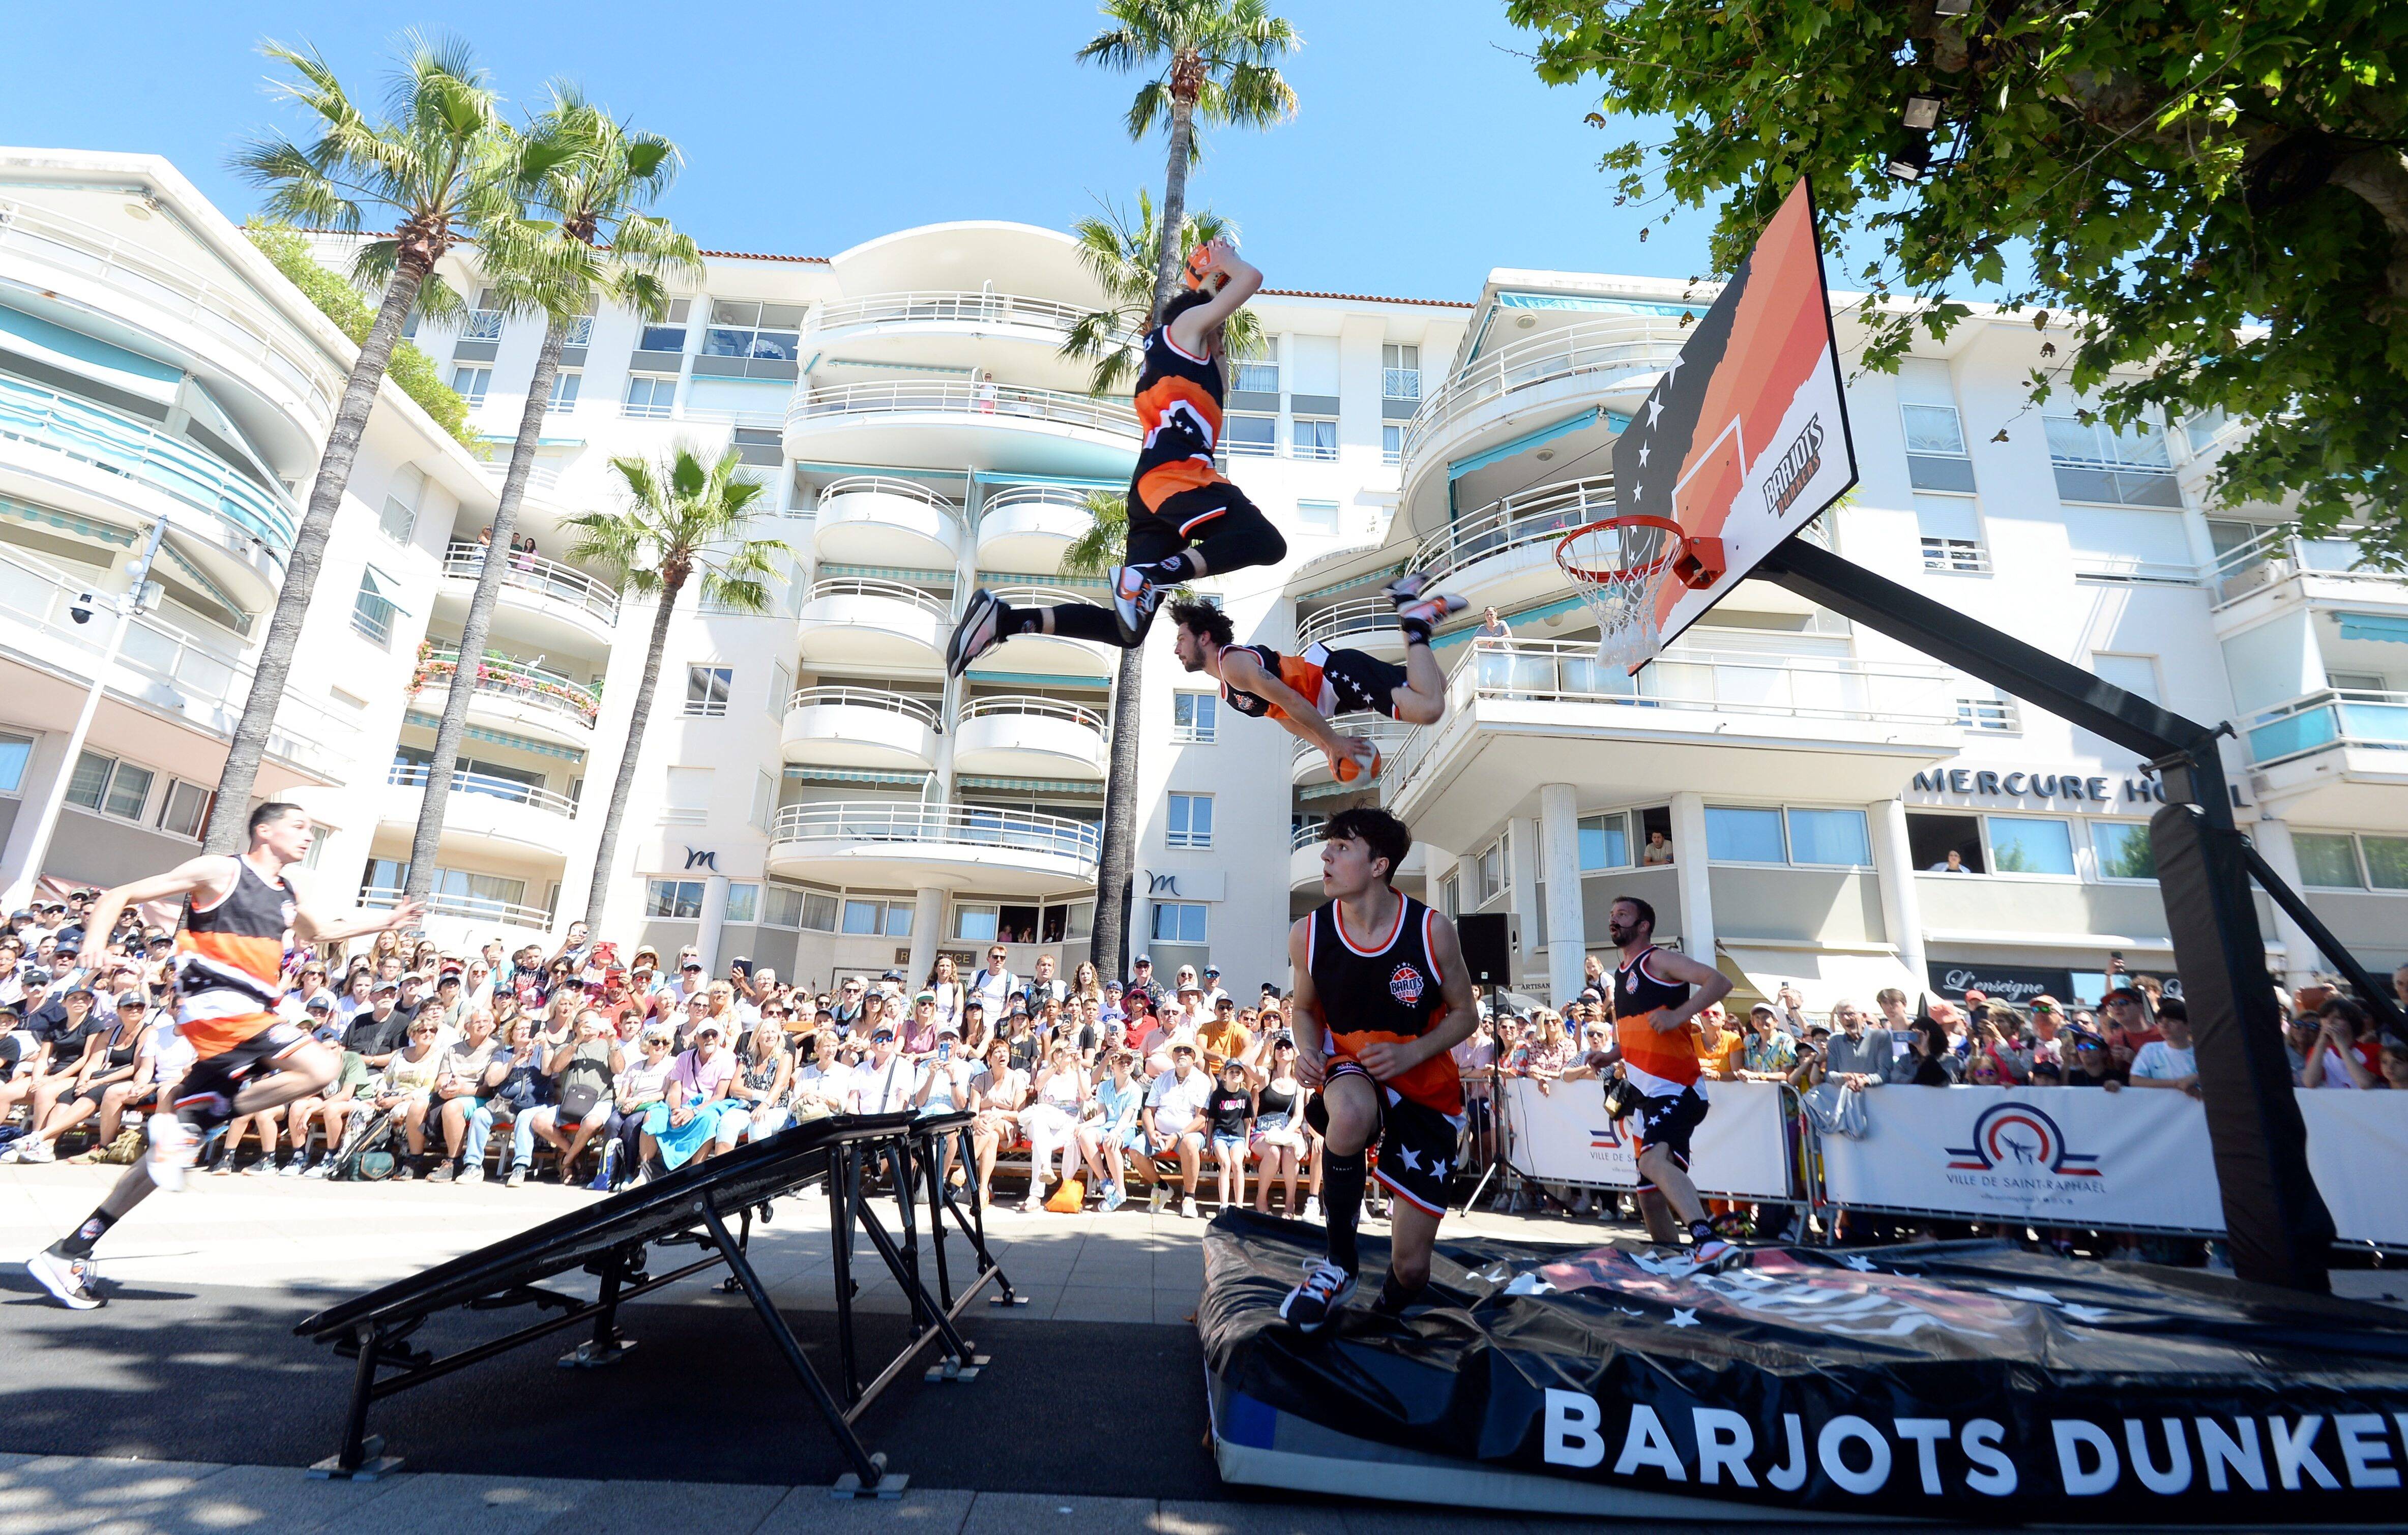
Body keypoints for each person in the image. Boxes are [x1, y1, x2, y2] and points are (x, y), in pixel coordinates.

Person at [27, 804, 421, 1310]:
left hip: (242, 1019)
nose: (307, 836)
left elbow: (320, 931)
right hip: (219, 1008)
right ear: (264, 830)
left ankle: (70, 1249)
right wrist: (95, 944)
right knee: (321, 1067)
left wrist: (386, 920)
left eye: (310, 830)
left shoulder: (286, 892)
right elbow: (123, 894)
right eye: (298, 826)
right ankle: (212, 1113)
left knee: (163, 1159)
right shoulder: (222, 869)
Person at [947, 238, 1283, 673]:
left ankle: (1005, 620)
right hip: (1178, 477)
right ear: (1196, 316)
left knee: (1128, 631)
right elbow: (1250, 280)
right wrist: (1224, 265)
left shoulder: (1185, 357)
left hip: (1154, 492)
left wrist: (1214, 315)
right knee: (1267, 543)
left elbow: (1220, 368)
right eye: (1213, 320)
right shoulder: (1179, 332)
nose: (1219, 327)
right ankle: (1154, 576)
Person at [1279, 807, 1480, 1333]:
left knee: (1412, 1269)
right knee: (1345, 1113)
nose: (1326, 855)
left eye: (1342, 847)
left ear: (1378, 865)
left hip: (1425, 1084)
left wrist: (1413, 1052)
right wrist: (1307, 1049)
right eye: (1328, 846)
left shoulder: (1432, 930)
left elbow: (1467, 1014)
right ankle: (1338, 1266)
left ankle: (1384, 1310)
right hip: (1355, 1067)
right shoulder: (1309, 933)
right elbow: (1303, 1009)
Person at [1575, 893, 1736, 1268]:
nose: (1614, 920)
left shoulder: (1658, 959)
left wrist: (1680, 1016)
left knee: (1652, 1164)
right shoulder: (1621, 974)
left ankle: (1707, 1240)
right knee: (1648, 1194)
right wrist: (1612, 1054)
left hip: (1677, 1087)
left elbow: (1719, 981)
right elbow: (1636, 1033)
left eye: (1623, 915)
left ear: (1643, 925)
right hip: (1646, 1095)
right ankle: (1674, 1257)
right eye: (1612, 914)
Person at [1165, 597, 1461, 780]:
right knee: (1436, 684)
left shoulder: (1233, 665)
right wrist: (1326, 748)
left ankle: (1416, 621)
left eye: (1181, 639)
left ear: (1204, 638)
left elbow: (1293, 700)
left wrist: (1333, 741)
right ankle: (1410, 603)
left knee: (1430, 709)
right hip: (1339, 687)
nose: (1177, 649)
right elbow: (1284, 718)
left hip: (1336, 675)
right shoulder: (1228, 691)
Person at [1144, 1041, 1214, 1216]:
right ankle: (1162, 1186)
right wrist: (1151, 1131)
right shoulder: (1162, 1079)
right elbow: (1148, 1110)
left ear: (1194, 1057)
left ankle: (1189, 1198)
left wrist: (1178, 1135)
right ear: (1173, 1056)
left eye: (1187, 1050)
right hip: (1159, 1134)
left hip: (1189, 1134)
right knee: (1134, 1150)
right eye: (1178, 1050)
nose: (1182, 1053)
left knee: (1189, 1144)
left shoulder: (1202, 1080)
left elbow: (1202, 1119)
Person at [1076, 1047, 1149, 1212]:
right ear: (1113, 1066)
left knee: (1111, 1143)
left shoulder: (1135, 1089)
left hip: (1126, 1129)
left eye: (1128, 1062)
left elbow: (1127, 1117)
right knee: (1085, 1136)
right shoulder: (1104, 1087)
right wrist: (1084, 1125)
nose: (1125, 1065)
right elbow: (1102, 1116)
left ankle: (1121, 1191)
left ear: (1132, 1067)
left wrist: (1116, 1132)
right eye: (1120, 1062)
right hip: (1107, 1126)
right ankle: (1105, 1182)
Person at [1204, 1057, 1254, 1212]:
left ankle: (1239, 1206)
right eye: (1231, 1071)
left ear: (1243, 1076)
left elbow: (1247, 1122)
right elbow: (1211, 1122)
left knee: (1237, 1164)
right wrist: (1208, 1144)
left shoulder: (1246, 1096)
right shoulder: (1217, 1095)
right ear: (1224, 1076)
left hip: (1238, 1137)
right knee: (1225, 1163)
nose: (1235, 1074)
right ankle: (1224, 1205)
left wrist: (1246, 1146)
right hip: (1220, 1135)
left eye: (1238, 1072)